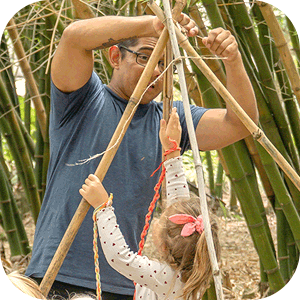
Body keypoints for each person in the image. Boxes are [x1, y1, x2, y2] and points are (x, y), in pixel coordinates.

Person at [25, 11, 258, 300]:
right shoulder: (82, 99)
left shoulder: (170, 123)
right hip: (55, 275)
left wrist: (233, 60)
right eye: (145, 56)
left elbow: (241, 123)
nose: (157, 71)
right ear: (115, 56)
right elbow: (74, 38)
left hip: (121, 284)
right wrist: (154, 24)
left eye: (164, 63)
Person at [79, 108, 220, 300]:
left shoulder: (167, 278)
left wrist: (104, 208)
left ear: (163, 246)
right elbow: (179, 201)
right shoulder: (195, 273)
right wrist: (172, 151)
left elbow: (120, 257)